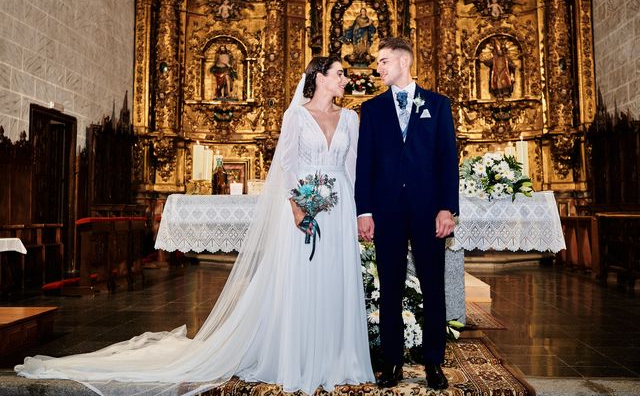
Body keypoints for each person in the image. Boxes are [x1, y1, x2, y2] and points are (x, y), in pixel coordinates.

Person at [16, 56, 374, 395]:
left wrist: (356, 212)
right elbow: (288, 165)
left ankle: (337, 357)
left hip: (339, 203)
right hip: (303, 201)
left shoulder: (350, 119)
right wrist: (297, 206)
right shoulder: (295, 116)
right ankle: (300, 356)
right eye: (340, 74)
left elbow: (353, 168)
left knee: (334, 276)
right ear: (319, 78)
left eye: (344, 75)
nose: (346, 79)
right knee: (303, 276)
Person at [355, 37, 459, 390]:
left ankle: (434, 363)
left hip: (429, 211)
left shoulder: (437, 105)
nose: (378, 68)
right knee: (390, 288)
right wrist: (364, 211)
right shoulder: (371, 110)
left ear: (403, 62)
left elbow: (447, 161)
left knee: (433, 287)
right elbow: (364, 165)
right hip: (386, 213)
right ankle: (393, 363)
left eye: (383, 61)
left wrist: (447, 209)